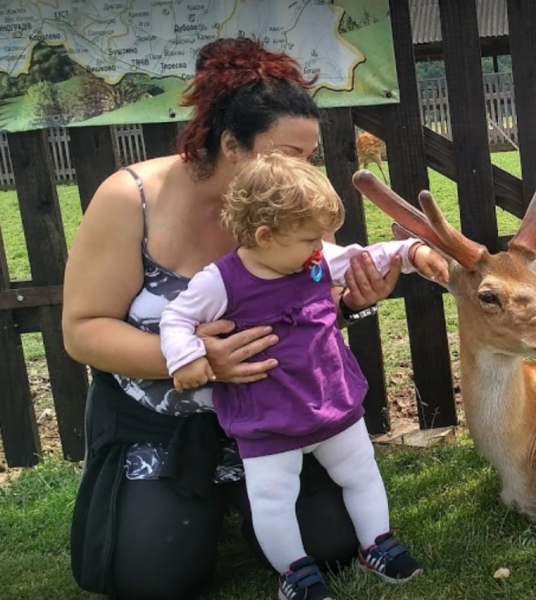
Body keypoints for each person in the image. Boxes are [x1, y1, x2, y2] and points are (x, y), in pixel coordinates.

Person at [63, 37, 406, 600]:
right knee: (152, 578)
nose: (303, 171)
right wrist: (199, 360)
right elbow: (82, 330)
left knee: (331, 547)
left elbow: (304, 313)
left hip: (281, 415)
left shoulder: (294, 205)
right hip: (167, 423)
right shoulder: (131, 199)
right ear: (230, 145)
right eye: (289, 154)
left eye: (309, 156)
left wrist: (350, 303)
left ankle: (252, 497)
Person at [159, 152, 447, 599]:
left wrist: (412, 252)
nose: (319, 248)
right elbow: (175, 318)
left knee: (362, 474)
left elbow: (365, 257)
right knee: (272, 500)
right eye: (310, 238)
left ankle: (376, 543)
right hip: (268, 420)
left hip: (334, 405)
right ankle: (294, 572)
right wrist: (187, 358)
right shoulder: (220, 281)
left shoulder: (313, 261)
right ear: (264, 235)